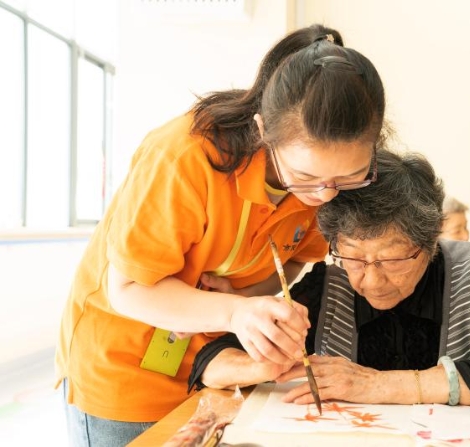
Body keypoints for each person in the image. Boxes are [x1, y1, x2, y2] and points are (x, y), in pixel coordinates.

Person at [57, 24, 388, 446]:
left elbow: (295, 259)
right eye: (305, 176)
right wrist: (233, 312)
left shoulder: (326, 182)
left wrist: (248, 299)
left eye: (347, 176)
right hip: (124, 370)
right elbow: (127, 291)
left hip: (215, 367)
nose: (324, 194)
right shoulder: (183, 157)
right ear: (263, 130)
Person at [189, 151, 470, 408]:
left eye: (392, 260)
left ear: (430, 243)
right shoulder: (331, 280)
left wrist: (377, 385)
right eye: (355, 258)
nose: (372, 281)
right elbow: (210, 361)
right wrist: (267, 364)